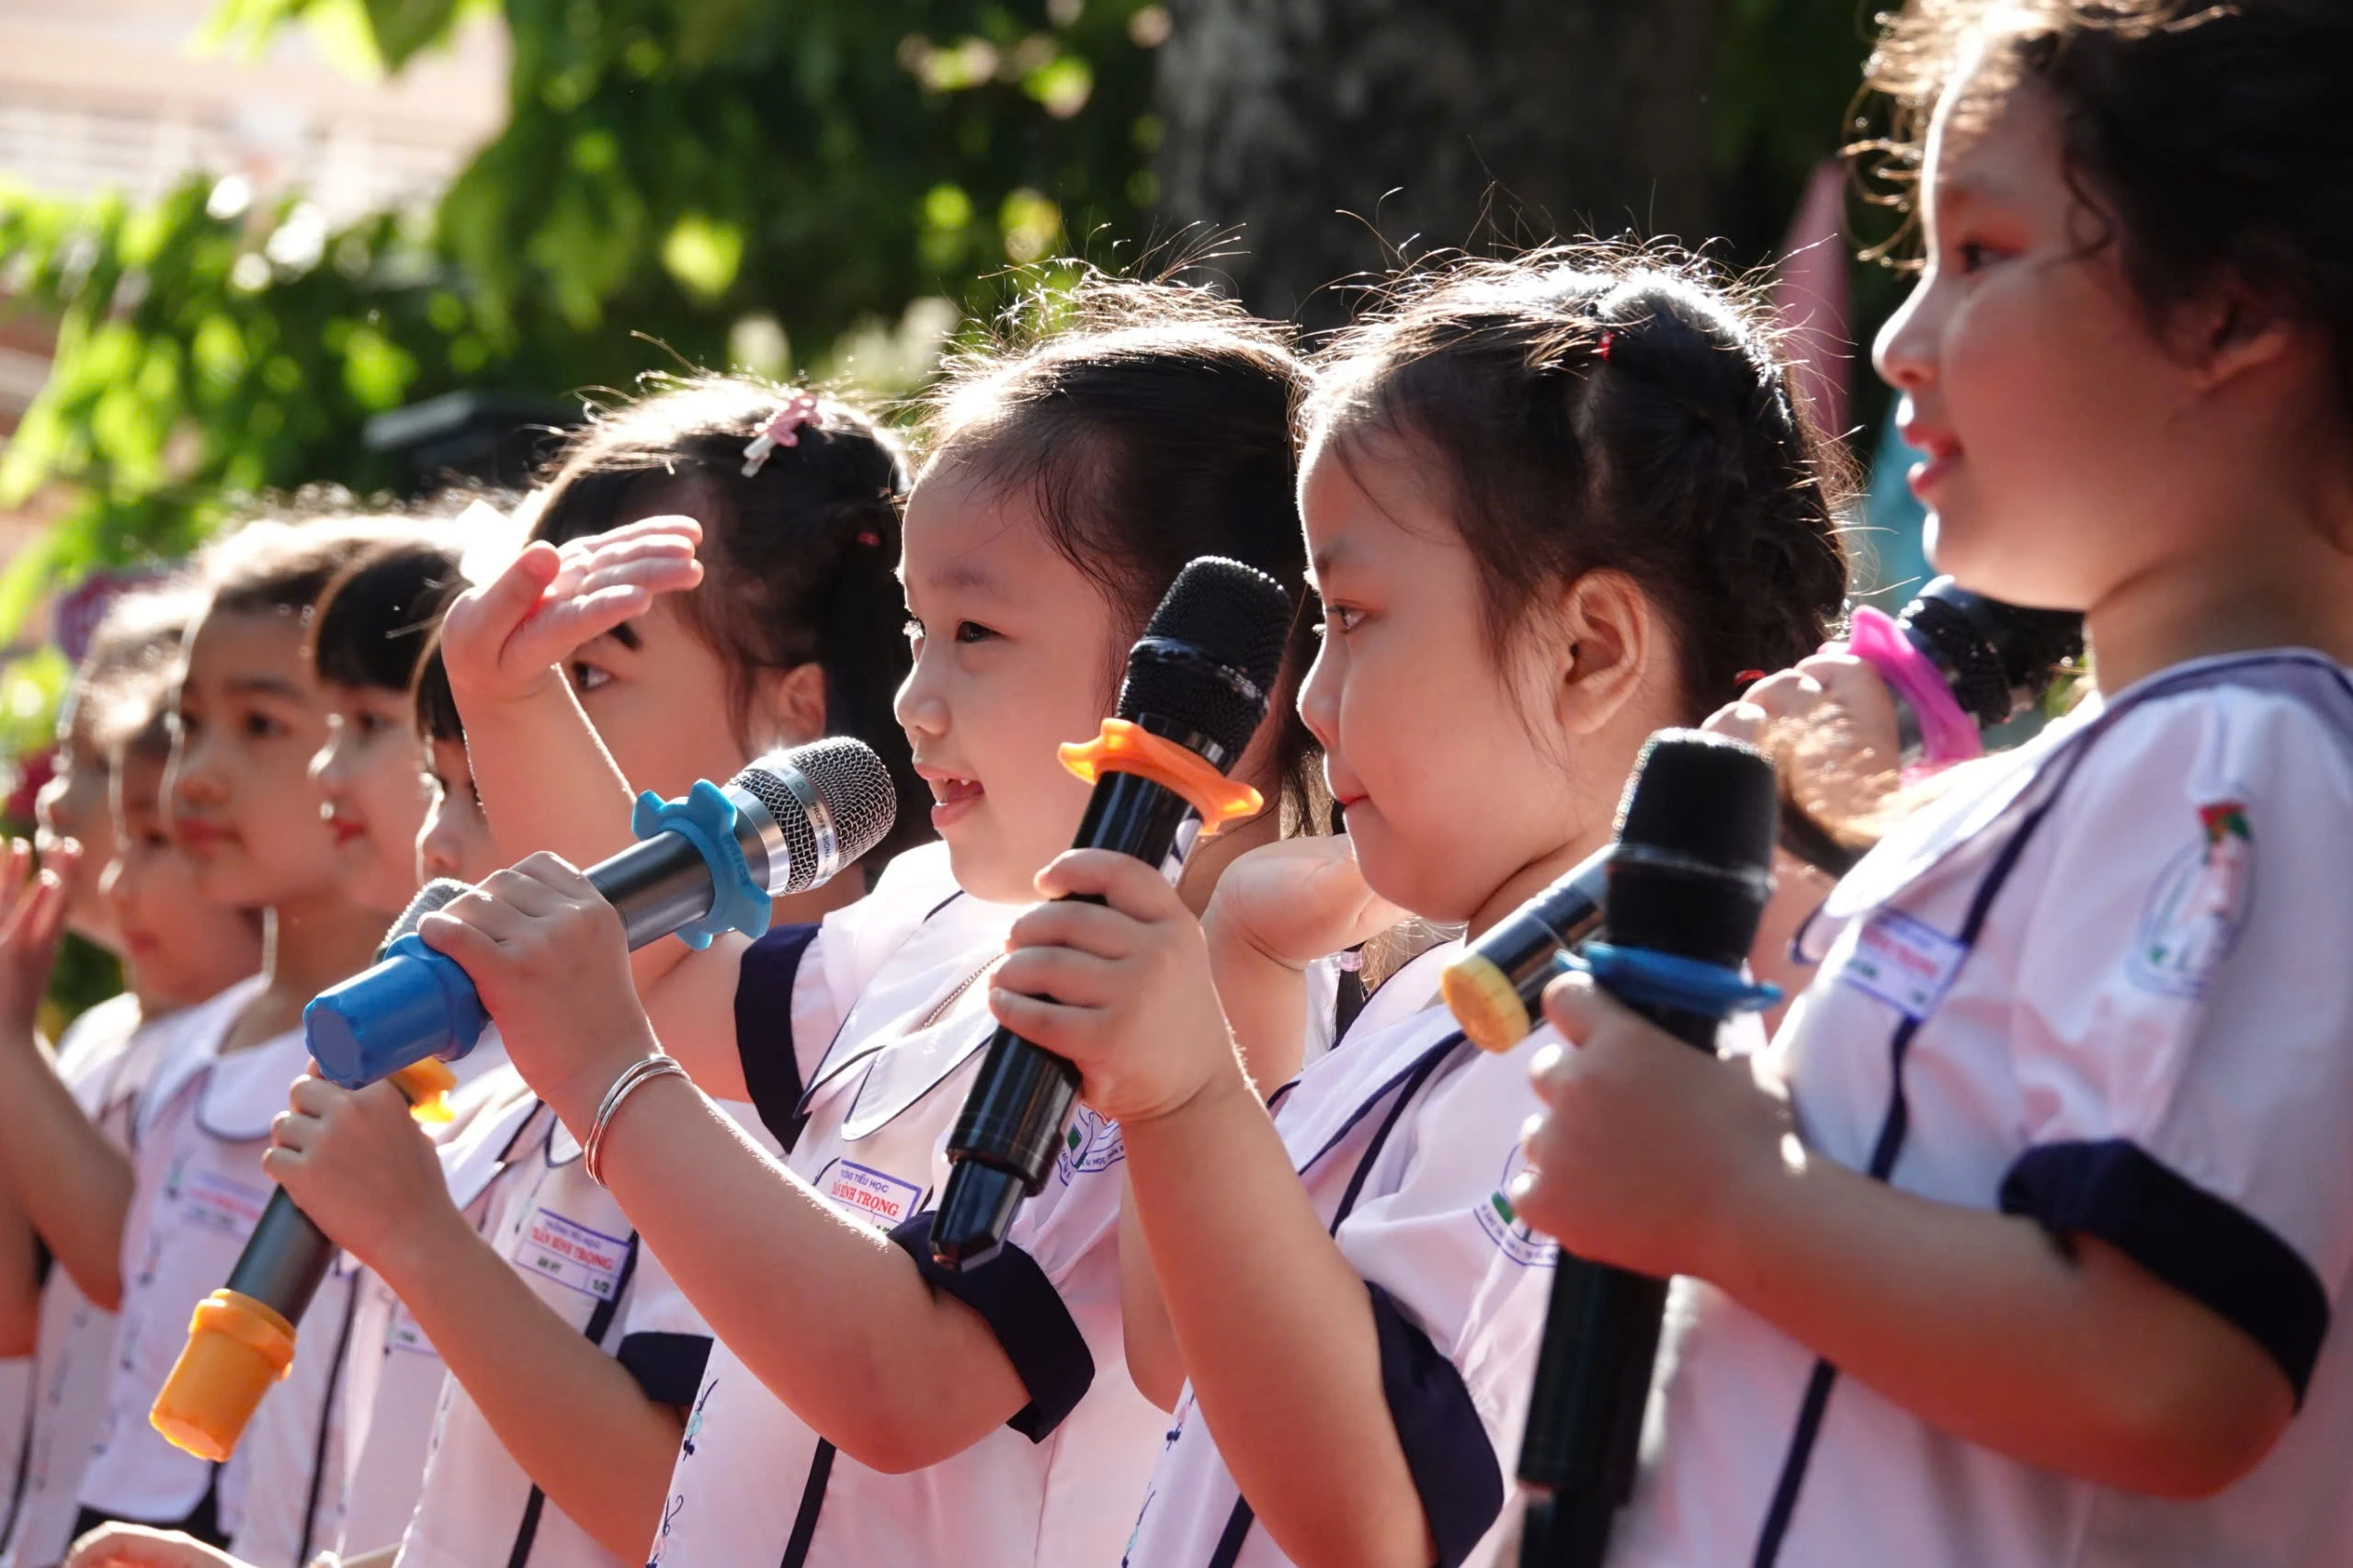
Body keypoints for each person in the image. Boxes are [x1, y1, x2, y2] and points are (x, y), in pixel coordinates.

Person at [1507, 5, 2353, 1565]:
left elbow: (2178, 1377)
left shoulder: (2251, 766)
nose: (1898, 341)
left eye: (1980, 254)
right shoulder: (2084, 781)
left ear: (2230, 312)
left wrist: (1723, 1186)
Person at [415, 280, 1324, 1568]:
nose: (914, 699)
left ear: (1209, 672)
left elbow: (907, 1383)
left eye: (977, 633)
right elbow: (672, 985)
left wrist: (611, 1083)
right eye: (913, 630)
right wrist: (509, 703)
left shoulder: (1226, 1034)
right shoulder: (933, 925)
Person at [986, 249, 1847, 1568]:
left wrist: (1184, 1097)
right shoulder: (1431, 995)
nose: (1312, 705)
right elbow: (1183, 1357)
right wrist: (1241, 968)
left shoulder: (1617, 1041)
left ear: (1589, 650)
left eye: (1352, 614)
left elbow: (1375, 1511)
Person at [70, 519, 409, 1566]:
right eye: (188, 723)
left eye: (262, 724)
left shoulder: (422, 1068)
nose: (198, 774)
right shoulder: (191, 1038)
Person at [0, 594, 264, 1568]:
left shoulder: (246, 1049)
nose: (112, 875)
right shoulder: (109, 1030)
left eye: (161, 839)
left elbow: (118, 1255)